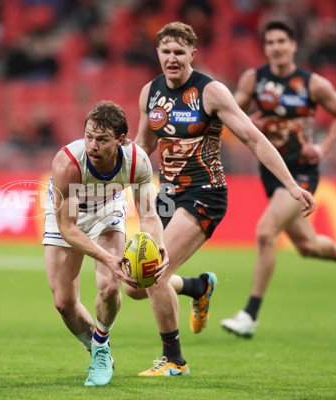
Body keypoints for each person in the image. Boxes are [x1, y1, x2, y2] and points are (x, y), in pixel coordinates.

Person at [122, 21, 316, 376]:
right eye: (166, 51)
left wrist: (290, 184)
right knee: (135, 286)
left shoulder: (211, 92)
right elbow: (144, 145)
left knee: (156, 274)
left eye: (179, 52)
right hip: (166, 193)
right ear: (158, 54)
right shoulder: (149, 92)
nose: (172, 58)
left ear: (193, 54)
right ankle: (198, 286)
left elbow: (254, 139)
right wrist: (112, 176)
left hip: (204, 194)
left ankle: (175, 361)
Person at [220, 20, 336, 338]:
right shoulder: (254, 79)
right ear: (265, 48)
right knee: (306, 246)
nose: (276, 47)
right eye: (270, 42)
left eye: (282, 41)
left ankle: (250, 315)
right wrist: (250, 120)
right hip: (270, 171)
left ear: (293, 45)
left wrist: (324, 146)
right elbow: (231, 115)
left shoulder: (310, 84)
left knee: (265, 233)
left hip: (302, 171)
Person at [43, 100, 169, 386]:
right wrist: (107, 257)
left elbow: (149, 215)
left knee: (111, 285)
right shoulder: (67, 163)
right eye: (89, 136)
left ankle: (100, 346)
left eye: (102, 139)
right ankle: (98, 349)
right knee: (63, 303)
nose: (92, 145)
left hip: (108, 209)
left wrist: (159, 244)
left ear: (120, 140)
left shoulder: (137, 162)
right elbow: (68, 228)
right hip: (67, 218)